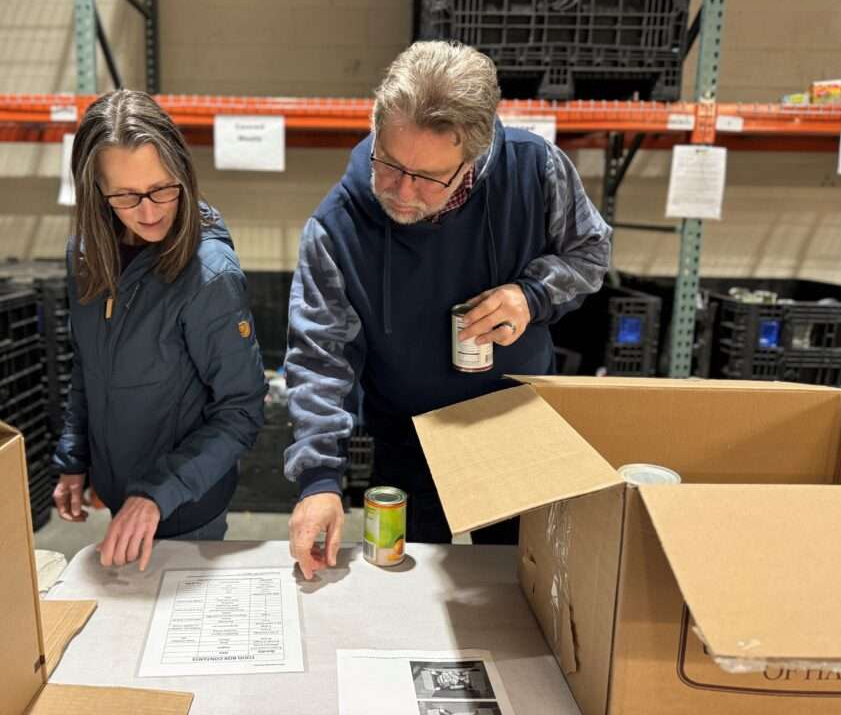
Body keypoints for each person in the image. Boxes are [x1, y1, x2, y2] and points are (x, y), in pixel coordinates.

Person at [284, 41, 611, 579]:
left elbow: (591, 253)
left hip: (514, 427)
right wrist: (318, 481)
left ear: (473, 158)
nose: (402, 192)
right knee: (399, 592)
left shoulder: (535, 171)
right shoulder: (337, 227)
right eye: (388, 164)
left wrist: (531, 295)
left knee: (517, 587)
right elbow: (319, 358)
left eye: (429, 178)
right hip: (408, 435)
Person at [51, 89, 267, 571]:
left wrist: (156, 495)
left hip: (186, 509)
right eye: (126, 196)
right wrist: (74, 456)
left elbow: (242, 411)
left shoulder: (210, 275)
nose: (150, 212)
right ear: (96, 193)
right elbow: (88, 364)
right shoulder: (86, 254)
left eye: (164, 188)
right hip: (120, 498)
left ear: (183, 175)